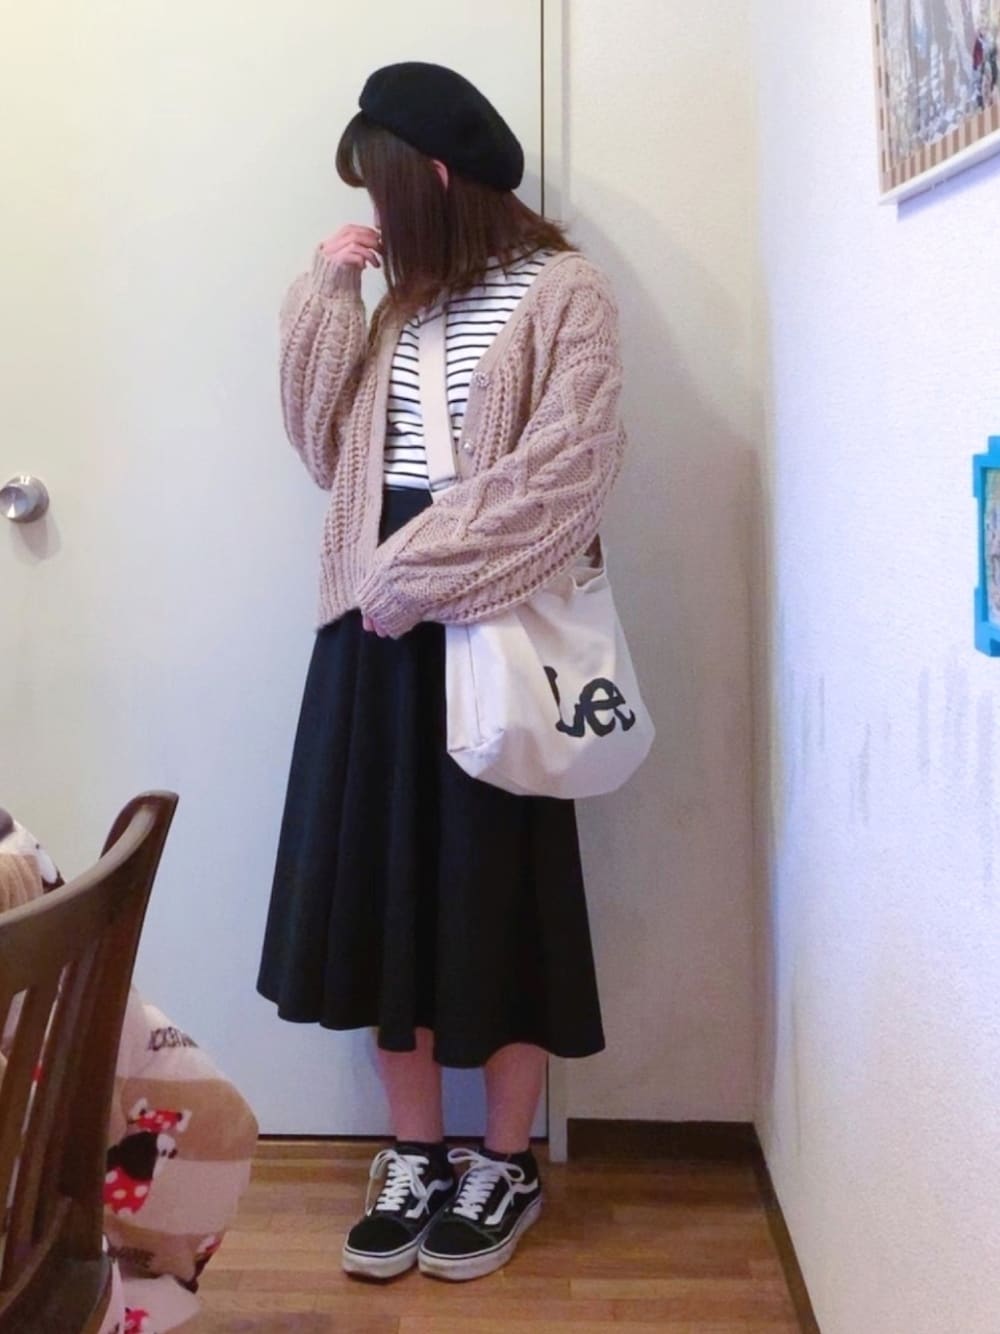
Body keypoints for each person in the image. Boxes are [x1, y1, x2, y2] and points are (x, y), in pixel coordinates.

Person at [256, 61, 627, 1284]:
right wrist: (329, 291)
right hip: (371, 632)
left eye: (379, 185)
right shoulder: (397, 305)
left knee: (501, 891)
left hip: (491, 624)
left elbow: (566, 470)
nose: (372, 207)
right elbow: (324, 448)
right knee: (380, 889)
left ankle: (503, 1158)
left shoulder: (563, 290)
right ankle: (415, 1149)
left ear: (432, 175)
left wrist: (416, 571)